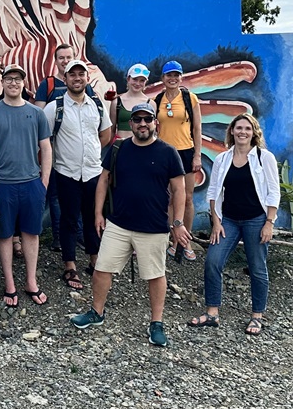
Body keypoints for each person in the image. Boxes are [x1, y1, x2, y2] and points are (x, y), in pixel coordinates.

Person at [70, 102, 188, 348]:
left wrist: (177, 223)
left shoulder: (168, 152)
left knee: (155, 275)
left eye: (147, 119)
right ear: (131, 123)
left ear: (155, 123)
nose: (142, 124)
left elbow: (179, 190)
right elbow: (103, 180)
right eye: (137, 119)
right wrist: (98, 213)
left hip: (153, 226)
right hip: (119, 224)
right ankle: (96, 312)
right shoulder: (118, 149)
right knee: (102, 269)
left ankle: (156, 323)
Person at [190, 113, 279, 336]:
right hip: (228, 220)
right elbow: (213, 192)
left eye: (248, 129)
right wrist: (216, 221)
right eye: (239, 128)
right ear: (232, 131)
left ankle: (257, 316)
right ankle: (212, 313)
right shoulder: (223, 159)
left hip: (256, 220)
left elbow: (273, 192)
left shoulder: (264, 158)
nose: (243, 132)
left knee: (257, 268)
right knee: (213, 261)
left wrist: (269, 222)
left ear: (254, 132)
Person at [0, 64, 53, 309]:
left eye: (17, 79)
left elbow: (46, 148)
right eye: (9, 78)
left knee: (31, 233)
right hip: (2, 184)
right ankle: (9, 283)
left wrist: (44, 181)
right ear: (2, 82)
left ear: (23, 83)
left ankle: (31, 281)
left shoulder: (36, 113)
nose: (13, 83)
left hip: (31, 182)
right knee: (5, 234)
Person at [43, 60, 112, 290]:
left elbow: (105, 134)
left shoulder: (97, 105)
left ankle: (94, 259)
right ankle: (70, 265)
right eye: (72, 75)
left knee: (94, 218)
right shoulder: (54, 108)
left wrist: (90, 153)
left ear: (86, 78)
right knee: (69, 219)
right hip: (67, 173)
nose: (77, 78)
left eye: (81, 74)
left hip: (93, 172)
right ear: (65, 79)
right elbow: (44, 139)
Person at [155, 60, 203, 261]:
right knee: (168, 199)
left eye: (176, 75)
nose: (173, 79)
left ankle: (185, 242)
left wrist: (197, 155)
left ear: (181, 77)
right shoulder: (157, 99)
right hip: (164, 154)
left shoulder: (190, 98)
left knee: (187, 198)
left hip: (185, 152)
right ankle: (172, 240)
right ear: (163, 78)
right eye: (169, 75)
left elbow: (197, 128)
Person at [113, 63, 151, 140]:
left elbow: (152, 131)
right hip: (121, 145)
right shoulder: (116, 102)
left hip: (142, 145)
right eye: (135, 79)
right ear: (128, 79)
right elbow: (111, 130)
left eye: (142, 80)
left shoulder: (150, 103)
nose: (138, 83)